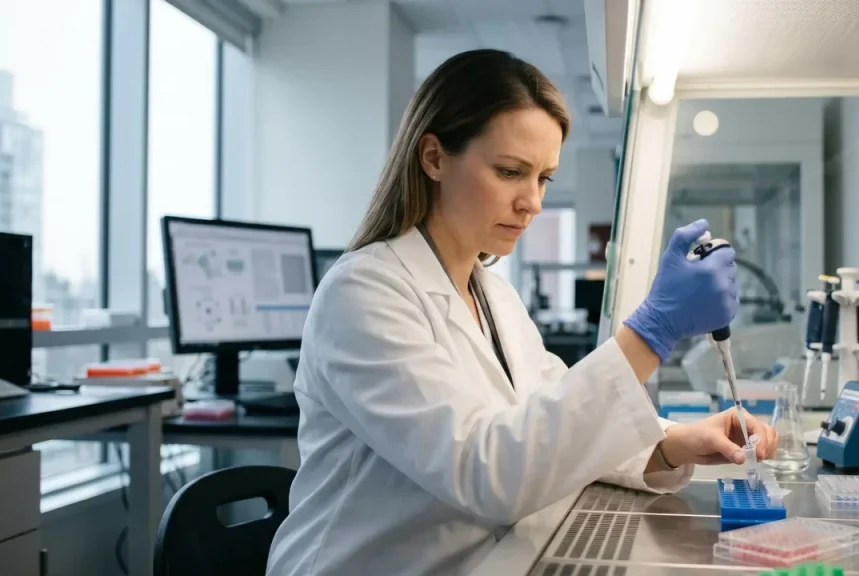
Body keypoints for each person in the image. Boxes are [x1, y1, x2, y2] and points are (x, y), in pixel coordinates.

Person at [265, 49, 777, 576]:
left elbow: (552, 429)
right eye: (510, 172)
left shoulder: (495, 296)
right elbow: (486, 473)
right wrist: (653, 329)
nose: (532, 201)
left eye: (544, 179)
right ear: (434, 157)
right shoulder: (363, 293)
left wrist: (671, 446)